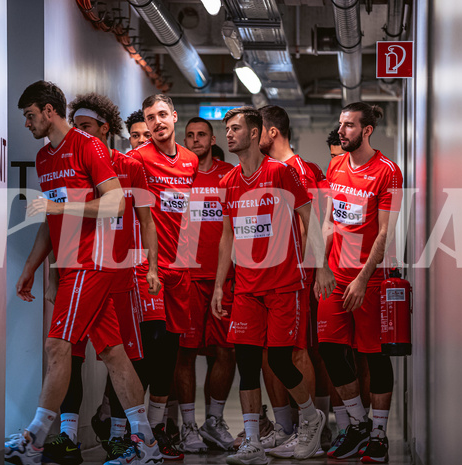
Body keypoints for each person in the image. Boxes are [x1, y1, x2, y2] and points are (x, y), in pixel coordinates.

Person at [5, 80, 162, 465]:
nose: (27, 124)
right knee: (113, 354)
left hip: (94, 262)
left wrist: (59, 210)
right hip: (72, 263)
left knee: (57, 345)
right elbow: (50, 220)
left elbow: (114, 206)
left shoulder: (88, 146)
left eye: (29, 116)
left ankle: (35, 438)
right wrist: (31, 267)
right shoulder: (45, 159)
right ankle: (147, 447)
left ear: (47, 111)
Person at [211, 107, 336, 464]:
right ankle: (252, 442)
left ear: (255, 133)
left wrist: (321, 267)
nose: (229, 134)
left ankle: (310, 417)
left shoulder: (281, 173)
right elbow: (226, 237)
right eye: (227, 129)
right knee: (247, 361)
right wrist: (221, 284)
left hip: (284, 283)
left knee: (281, 359)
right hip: (247, 286)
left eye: (235, 128)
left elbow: (310, 219)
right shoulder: (228, 182)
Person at [317, 102, 403, 463]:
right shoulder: (336, 165)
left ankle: (379, 436)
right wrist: (321, 265)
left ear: (367, 130)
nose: (342, 131)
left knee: (374, 355)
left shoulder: (388, 172)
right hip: (335, 275)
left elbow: (385, 233)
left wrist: (363, 279)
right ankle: (358, 424)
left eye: (350, 125)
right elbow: (329, 221)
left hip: (370, 279)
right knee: (330, 348)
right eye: (341, 124)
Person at [128, 94, 198, 459]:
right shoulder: (135, 160)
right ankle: (132, 430)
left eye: (160, 115)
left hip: (179, 270)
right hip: (145, 267)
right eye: (148, 118)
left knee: (170, 352)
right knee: (149, 348)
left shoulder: (191, 160)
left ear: (174, 116)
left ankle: (155, 429)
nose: (155, 123)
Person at [255, 105, 323, 458]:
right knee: (271, 352)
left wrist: (315, 271)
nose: (253, 136)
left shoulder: (296, 169)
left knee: (297, 352)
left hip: (296, 275)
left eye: (258, 130)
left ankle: (305, 426)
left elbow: (309, 222)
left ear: (272, 133)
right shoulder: (265, 170)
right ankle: (284, 427)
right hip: (267, 275)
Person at [173, 117, 236, 453]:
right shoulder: (180, 172)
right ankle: (187, 426)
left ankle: (214, 420)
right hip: (187, 276)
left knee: (227, 350)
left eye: (201, 135)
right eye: (190, 136)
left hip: (224, 277)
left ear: (213, 139)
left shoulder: (229, 174)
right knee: (184, 352)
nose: (195, 140)